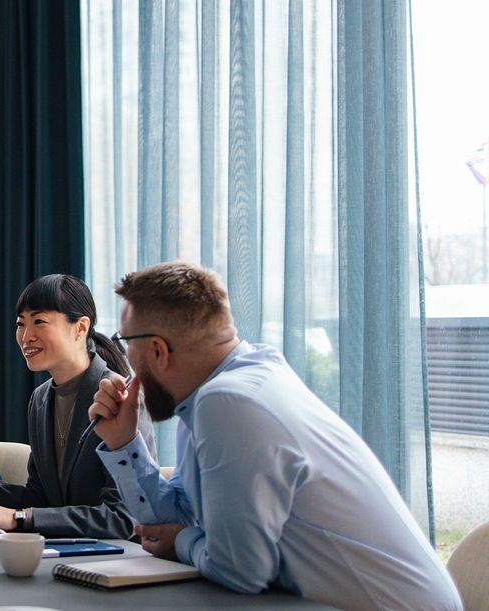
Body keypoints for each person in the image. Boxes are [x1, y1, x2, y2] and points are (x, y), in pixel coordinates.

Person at [88, 261, 461, 610]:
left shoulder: (229, 402)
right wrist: (125, 442)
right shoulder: (223, 389)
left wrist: (182, 542)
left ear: (157, 350)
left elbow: (238, 569)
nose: (127, 360)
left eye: (126, 343)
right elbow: (170, 519)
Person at [0, 274, 153, 538]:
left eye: (39, 322)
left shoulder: (118, 396)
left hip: (118, 560)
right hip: (63, 551)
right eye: (20, 324)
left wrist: (19, 518)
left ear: (81, 328)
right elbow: (39, 498)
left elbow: (122, 517)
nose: (26, 336)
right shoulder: (41, 398)